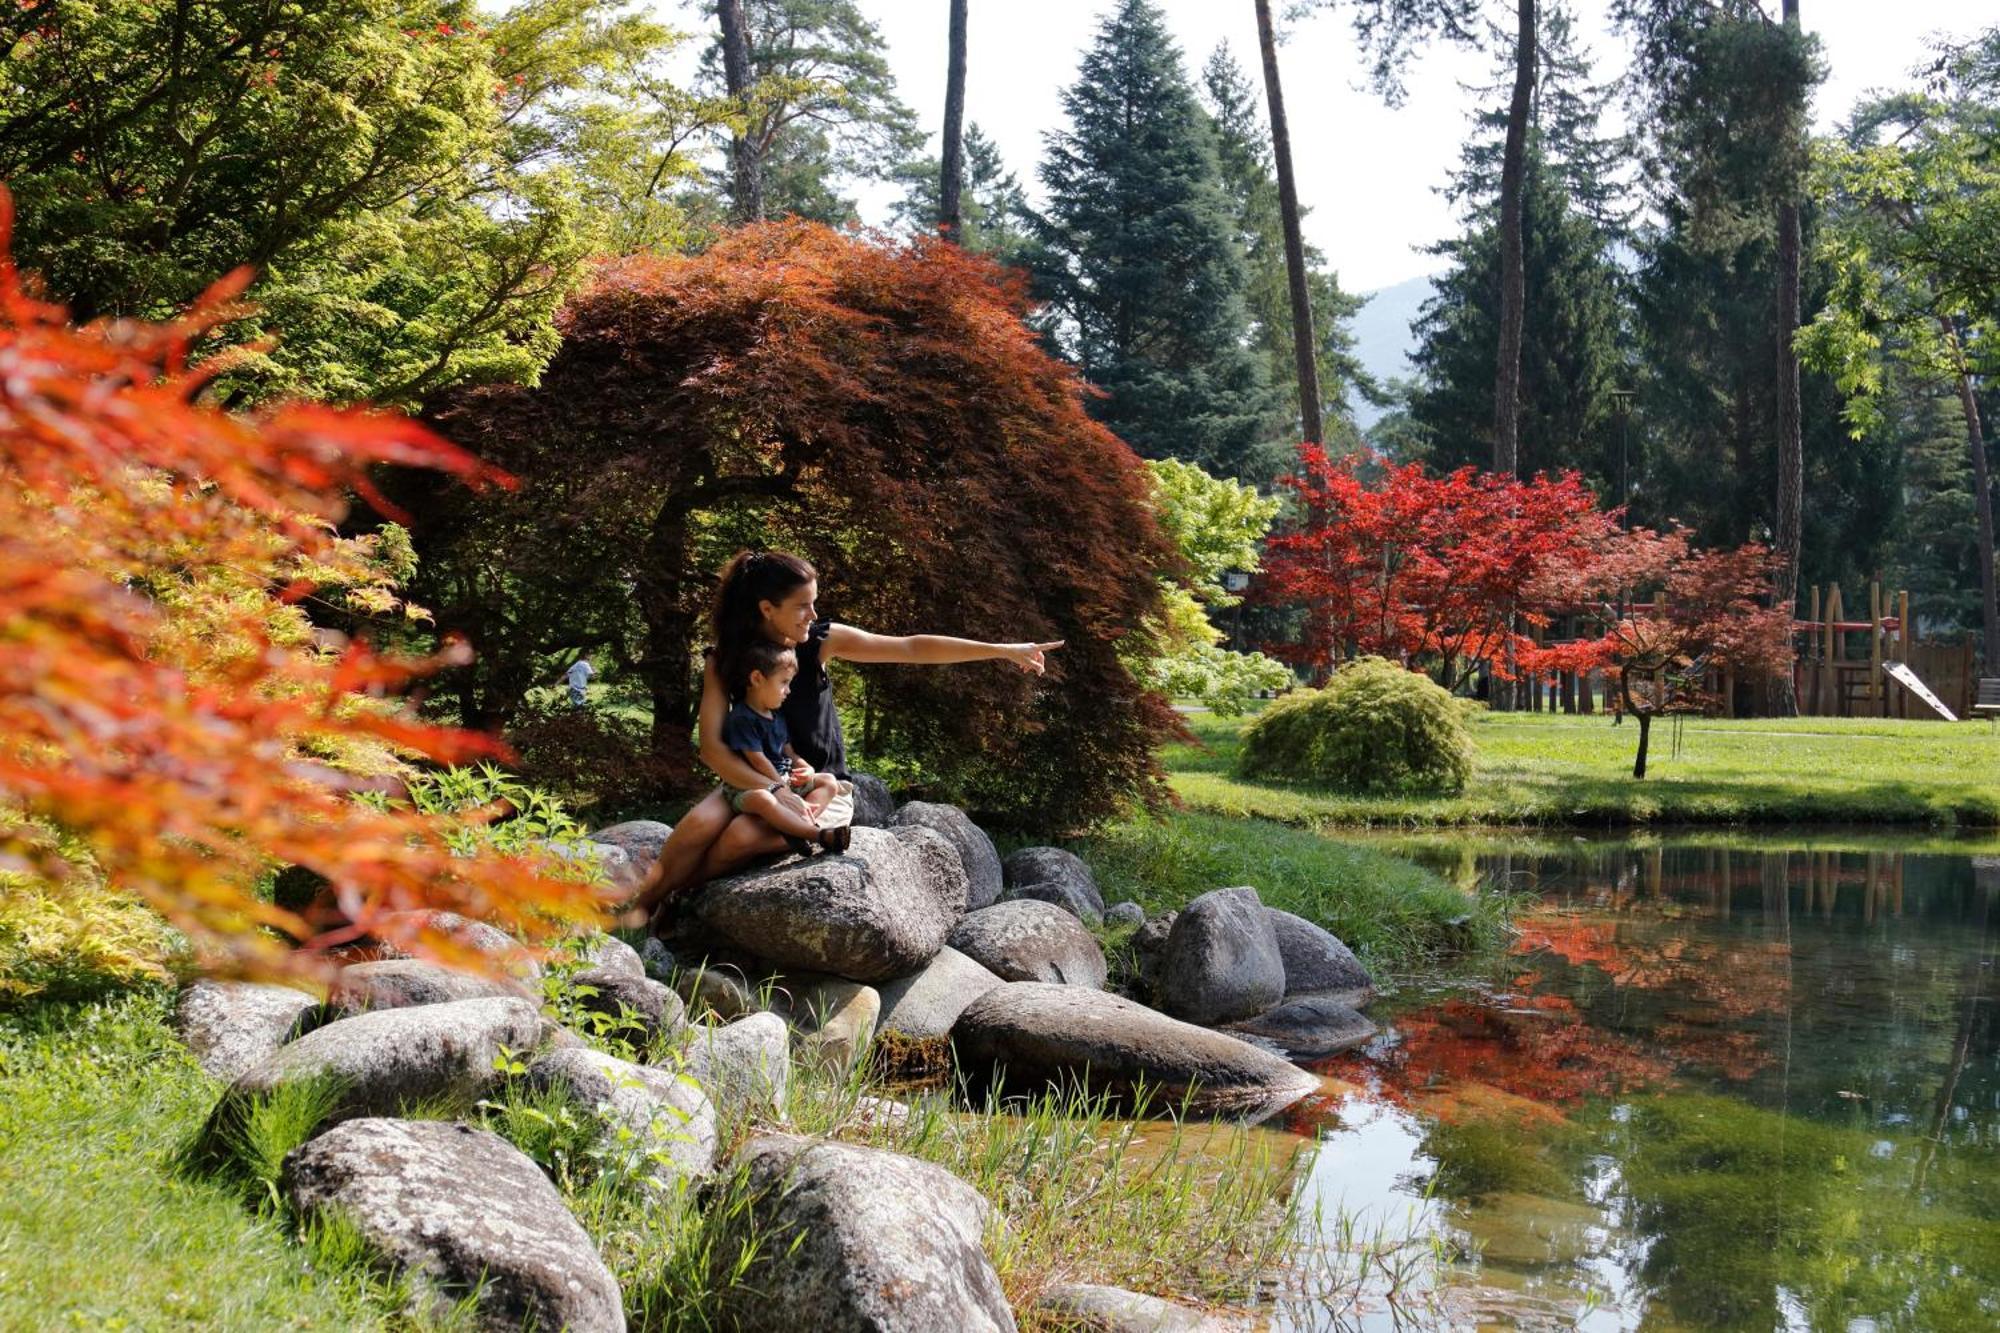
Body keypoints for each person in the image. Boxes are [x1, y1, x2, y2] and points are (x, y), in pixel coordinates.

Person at [632, 550, 1060, 921]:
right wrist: (773, 787)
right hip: (756, 780)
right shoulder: (725, 659)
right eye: (803, 606)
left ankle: (677, 895)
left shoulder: (820, 642)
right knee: (697, 825)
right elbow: (712, 749)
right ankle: (637, 910)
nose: (814, 615)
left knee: (740, 835)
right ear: (767, 608)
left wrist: (1003, 650)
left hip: (822, 789)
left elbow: (910, 647)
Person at [718, 638, 850, 856]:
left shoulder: (777, 714)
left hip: (783, 781)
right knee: (764, 800)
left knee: (828, 782)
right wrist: (783, 789)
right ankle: (817, 834)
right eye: (784, 683)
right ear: (757, 678)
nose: (788, 691)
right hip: (751, 786)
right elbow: (757, 760)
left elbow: (788, 750)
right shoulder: (742, 718)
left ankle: (795, 828)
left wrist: (804, 767)